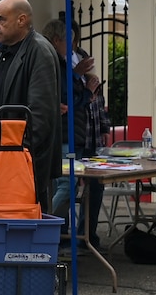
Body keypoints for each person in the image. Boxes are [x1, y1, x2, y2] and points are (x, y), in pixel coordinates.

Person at [0, 0, 63, 213]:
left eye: (1, 19)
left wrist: (11, 158)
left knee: (23, 227)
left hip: (22, 170)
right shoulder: (5, 52)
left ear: (21, 20)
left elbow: (39, 119)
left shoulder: (39, 51)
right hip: (1, 164)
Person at [44, 18, 108, 246]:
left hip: (78, 133)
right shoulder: (54, 62)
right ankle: (45, 226)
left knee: (70, 184)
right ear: (56, 40)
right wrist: (85, 88)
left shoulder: (65, 61)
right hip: (65, 134)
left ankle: (63, 232)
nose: (71, 47)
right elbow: (67, 98)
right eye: (68, 42)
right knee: (65, 184)